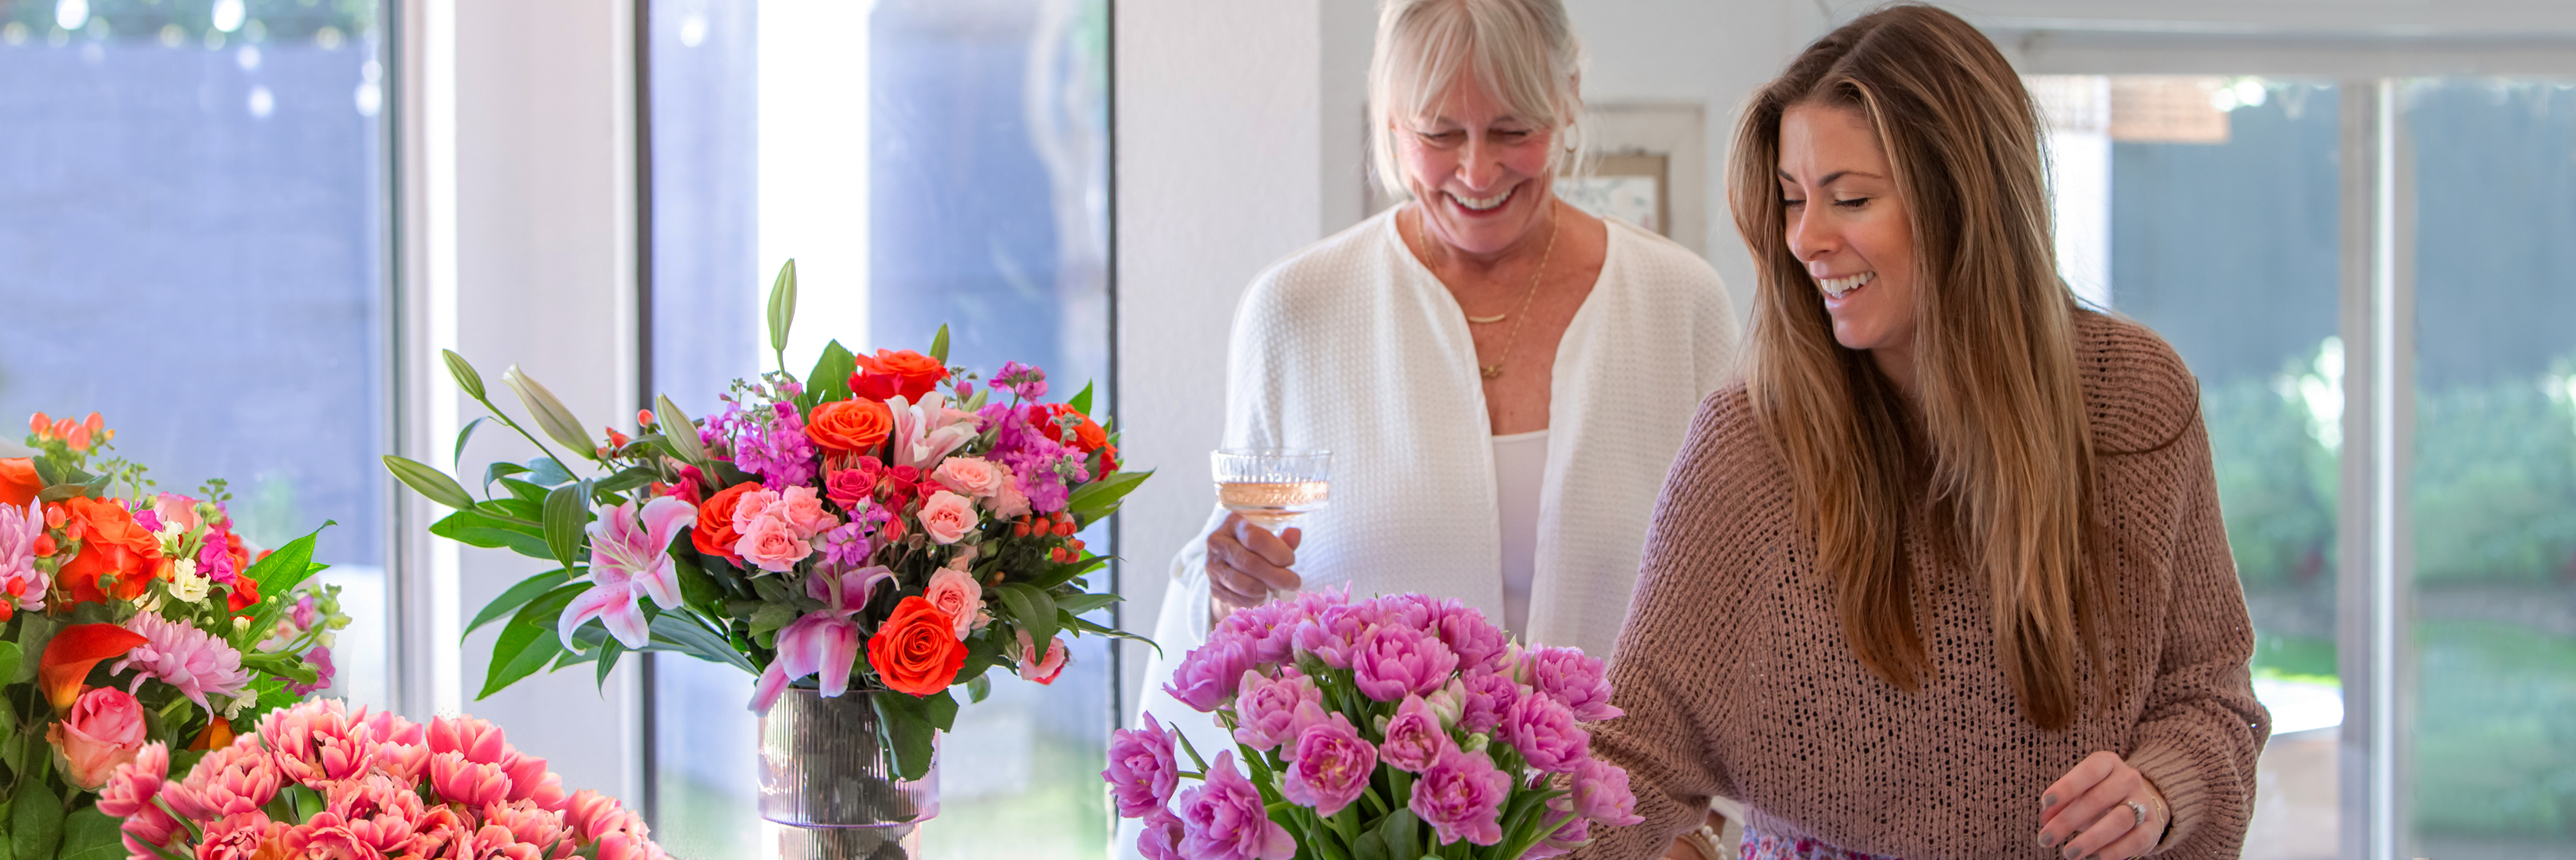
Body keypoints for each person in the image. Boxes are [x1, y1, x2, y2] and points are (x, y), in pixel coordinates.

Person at [1576, 5, 2269, 860]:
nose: (1805, 239)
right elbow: (1629, 759)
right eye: (1792, 200)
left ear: (1964, 197)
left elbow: (2210, 696)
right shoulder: (1749, 442)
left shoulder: (2132, 399)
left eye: (1851, 198)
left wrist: (2160, 788)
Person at [1124, 0, 1738, 855]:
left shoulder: (1677, 306)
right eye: (1439, 133)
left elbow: (1734, 604)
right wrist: (1232, 577)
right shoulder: (1299, 314)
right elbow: (1253, 554)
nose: (1477, 170)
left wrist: (1703, 824)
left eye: (1511, 129)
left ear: (1567, 103)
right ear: (1387, 119)